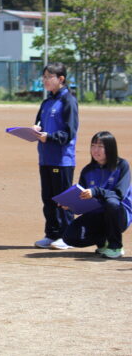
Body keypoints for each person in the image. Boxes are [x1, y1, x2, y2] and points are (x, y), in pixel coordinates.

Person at [62, 131, 131, 259]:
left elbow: (119, 194)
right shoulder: (87, 170)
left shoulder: (122, 165)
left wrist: (95, 191)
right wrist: (70, 204)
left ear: (110, 148)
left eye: (100, 146)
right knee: (69, 237)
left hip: (119, 214)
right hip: (96, 214)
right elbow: (81, 197)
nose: (95, 150)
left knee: (112, 202)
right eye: (93, 146)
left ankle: (115, 246)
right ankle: (103, 241)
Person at [33, 62, 79, 250]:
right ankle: (51, 234)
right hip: (45, 157)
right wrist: (35, 129)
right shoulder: (46, 102)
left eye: (49, 77)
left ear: (61, 79)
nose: (45, 80)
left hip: (61, 159)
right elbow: (39, 123)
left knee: (63, 201)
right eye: (44, 76)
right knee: (48, 199)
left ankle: (67, 237)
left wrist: (49, 137)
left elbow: (69, 133)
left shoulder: (68, 101)